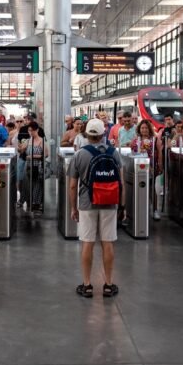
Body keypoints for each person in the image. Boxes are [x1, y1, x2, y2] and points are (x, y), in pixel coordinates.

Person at [70, 118, 124, 298]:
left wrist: (74, 208)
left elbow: (72, 186)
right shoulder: (114, 153)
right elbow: (121, 182)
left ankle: (87, 285)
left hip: (87, 203)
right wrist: (122, 206)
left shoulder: (79, 154)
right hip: (110, 202)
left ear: (86, 134)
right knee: (107, 242)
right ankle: (108, 284)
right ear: (103, 134)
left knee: (88, 242)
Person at [131, 120, 161, 220]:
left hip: (150, 167)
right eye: (142, 128)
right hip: (138, 167)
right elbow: (131, 151)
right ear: (139, 129)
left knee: (152, 188)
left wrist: (160, 165)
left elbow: (159, 152)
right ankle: (140, 209)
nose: (144, 130)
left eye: (146, 128)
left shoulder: (154, 139)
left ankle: (155, 210)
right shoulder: (135, 140)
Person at [19, 122, 48, 212]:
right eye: (29, 130)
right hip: (28, 166)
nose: (31, 132)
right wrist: (20, 148)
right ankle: (27, 200)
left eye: (32, 130)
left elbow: (46, 154)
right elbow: (21, 151)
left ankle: (36, 203)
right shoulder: (28, 141)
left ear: (37, 130)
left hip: (38, 166)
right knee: (26, 184)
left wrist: (32, 156)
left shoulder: (41, 141)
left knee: (37, 185)